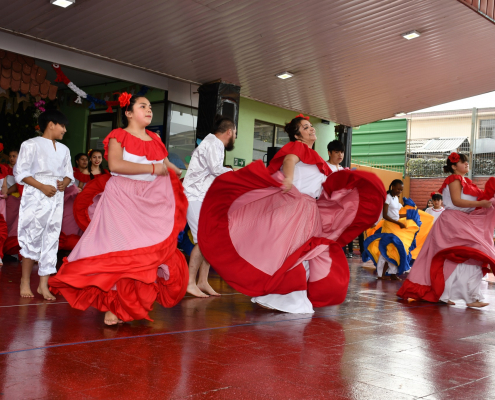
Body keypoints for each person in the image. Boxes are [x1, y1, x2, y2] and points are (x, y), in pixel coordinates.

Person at [197, 114, 386, 313]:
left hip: (308, 210)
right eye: (305, 127)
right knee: (296, 253)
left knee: (299, 253)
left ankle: (282, 295)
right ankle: (286, 298)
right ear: (298, 136)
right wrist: (288, 178)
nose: (311, 129)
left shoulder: (316, 159)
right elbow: (289, 160)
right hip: (296, 206)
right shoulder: (299, 148)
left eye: (310, 126)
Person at [49, 93, 187, 325]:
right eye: (143, 106)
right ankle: (114, 305)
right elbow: (114, 164)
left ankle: (128, 304)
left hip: (148, 201)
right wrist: (155, 169)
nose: (149, 109)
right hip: (121, 198)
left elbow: (167, 166)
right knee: (120, 252)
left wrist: (176, 170)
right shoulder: (119, 135)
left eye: (150, 106)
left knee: (143, 254)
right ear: (129, 113)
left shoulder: (155, 138)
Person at [398, 153, 495, 308]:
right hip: (453, 222)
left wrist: (487, 201)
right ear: (454, 166)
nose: (467, 164)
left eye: (467, 162)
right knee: (466, 254)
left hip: (461, 221)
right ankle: (460, 295)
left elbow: (473, 202)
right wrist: (483, 204)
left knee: (464, 257)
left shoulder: (465, 181)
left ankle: (455, 294)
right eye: (463, 162)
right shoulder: (454, 179)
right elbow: (456, 201)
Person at [15, 110, 74, 300]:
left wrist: (64, 183)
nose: (65, 130)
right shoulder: (30, 144)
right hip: (36, 194)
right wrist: (41, 186)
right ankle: (25, 281)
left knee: (52, 236)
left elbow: (68, 173)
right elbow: (21, 172)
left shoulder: (65, 149)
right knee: (32, 235)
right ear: (51, 124)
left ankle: (43, 285)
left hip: (55, 196)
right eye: (62, 126)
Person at [182, 116, 235, 298]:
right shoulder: (214, 143)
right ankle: (190, 282)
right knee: (203, 240)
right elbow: (215, 169)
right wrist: (235, 172)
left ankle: (202, 281)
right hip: (194, 196)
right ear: (229, 132)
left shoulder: (213, 143)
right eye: (235, 133)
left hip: (201, 196)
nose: (234, 137)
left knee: (209, 239)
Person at [362, 180, 421, 280]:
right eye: (398, 188)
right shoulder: (387, 197)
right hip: (389, 226)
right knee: (387, 250)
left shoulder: (396, 198)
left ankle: (393, 273)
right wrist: (396, 223)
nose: (399, 191)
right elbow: (385, 215)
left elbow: (396, 215)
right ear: (392, 186)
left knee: (395, 249)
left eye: (401, 190)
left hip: (395, 226)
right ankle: (381, 274)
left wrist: (408, 215)